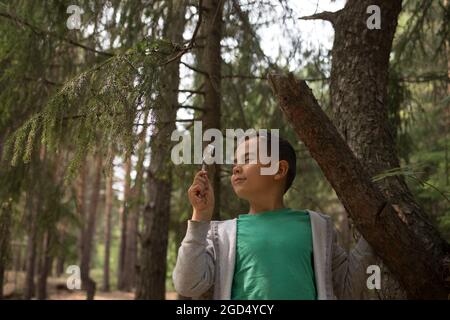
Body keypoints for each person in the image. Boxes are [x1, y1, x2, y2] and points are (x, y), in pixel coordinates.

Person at [172, 133, 376, 300]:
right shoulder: (222, 235)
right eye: (235, 162)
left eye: (248, 159)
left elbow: (347, 288)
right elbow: (187, 285)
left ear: (279, 170)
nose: (235, 167)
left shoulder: (316, 227)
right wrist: (200, 217)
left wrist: (376, 230)